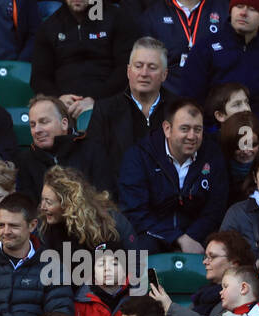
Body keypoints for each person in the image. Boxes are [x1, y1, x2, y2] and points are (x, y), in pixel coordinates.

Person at [119, 98, 229, 254]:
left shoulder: (212, 154)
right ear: (167, 129)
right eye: (184, 129)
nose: (192, 136)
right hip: (152, 236)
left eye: (197, 129)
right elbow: (135, 210)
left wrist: (192, 237)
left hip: (199, 237)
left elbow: (215, 208)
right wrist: (178, 238)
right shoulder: (139, 156)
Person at [83, 38, 178, 173]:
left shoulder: (179, 109)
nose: (144, 73)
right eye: (138, 66)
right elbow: (94, 165)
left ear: (164, 74)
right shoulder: (104, 111)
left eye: (152, 67)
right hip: (119, 192)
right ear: (128, 71)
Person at [31, 0, 137, 120]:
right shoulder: (49, 27)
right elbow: (39, 78)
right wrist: (58, 99)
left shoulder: (118, 18)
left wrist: (96, 100)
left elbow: (126, 69)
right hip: (64, 109)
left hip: (109, 103)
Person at [179, 0, 259, 118]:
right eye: (239, 6)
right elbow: (190, 100)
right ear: (231, 10)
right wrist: (210, 132)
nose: (243, 13)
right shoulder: (205, 48)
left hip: (255, 133)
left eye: (252, 9)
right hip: (214, 132)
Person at [15, 95, 112, 201]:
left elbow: (105, 197)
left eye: (44, 122)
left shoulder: (91, 150)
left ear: (64, 124)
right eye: (32, 125)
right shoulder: (25, 160)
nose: (37, 130)